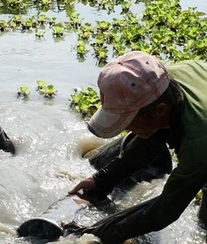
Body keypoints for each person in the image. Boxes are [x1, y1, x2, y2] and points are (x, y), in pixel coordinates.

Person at [65, 51, 207, 243]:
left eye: (129, 121)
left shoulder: (198, 145)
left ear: (160, 110)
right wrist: (102, 179)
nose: (125, 129)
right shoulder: (170, 79)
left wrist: (91, 235)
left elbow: (163, 212)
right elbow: (155, 135)